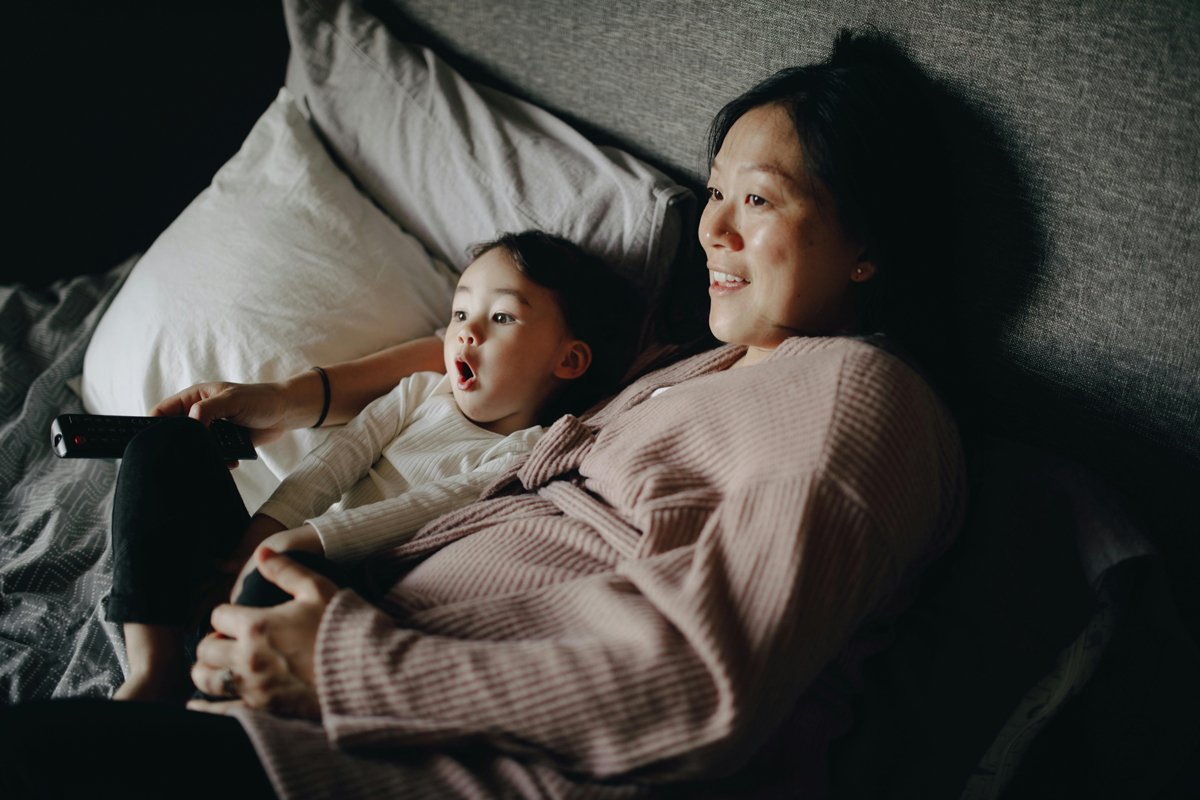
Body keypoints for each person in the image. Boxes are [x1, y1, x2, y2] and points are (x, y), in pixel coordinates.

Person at [0, 31, 965, 799]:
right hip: (308, 691)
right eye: (714, 193)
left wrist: (346, 665)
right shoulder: (695, 369)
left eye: (757, 200)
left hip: (412, 762)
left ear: (869, 244)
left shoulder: (856, 394)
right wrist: (303, 396)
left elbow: (705, 691)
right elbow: (474, 359)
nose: (712, 228)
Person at [109, 230, 640, 702]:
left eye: (501, 317)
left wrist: (293, 547)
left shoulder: (528, 451)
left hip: (341, 580)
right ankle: (154, 668)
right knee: (167, 443)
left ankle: (216, 676)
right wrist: (263, 534)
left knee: (287, 583)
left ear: (568, 360)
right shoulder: (419, 392)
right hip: (273, 546)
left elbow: (420, 510)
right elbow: (335, 462)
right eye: (459, 313)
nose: (465, 333)